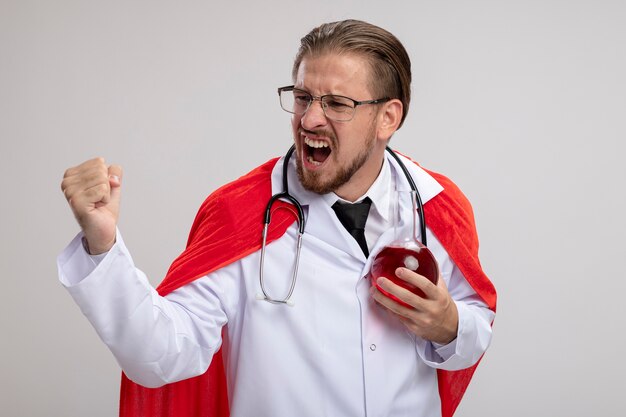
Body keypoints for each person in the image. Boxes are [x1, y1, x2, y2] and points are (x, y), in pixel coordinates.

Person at [58, 19, 496, 417]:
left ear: (387, 117)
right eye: (303, 97)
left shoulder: (437, 207)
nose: (309, 119)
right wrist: (102, 244)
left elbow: (474, 328)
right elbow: (160, 354)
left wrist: (449, 326)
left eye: (337, 104)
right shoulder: (240, 213)